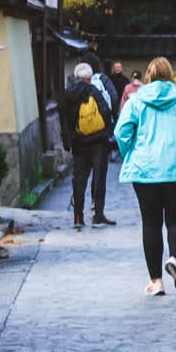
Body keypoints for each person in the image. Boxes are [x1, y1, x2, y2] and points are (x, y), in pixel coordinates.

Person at [115, 56, 176, 297]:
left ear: (148, 75)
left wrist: (131, 154)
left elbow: (121, 132)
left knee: (151, 223)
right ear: (170, 74)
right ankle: (175, 259)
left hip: (145, 169)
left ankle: (156, 281)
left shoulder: (136, 100)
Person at [60, 61, 114, 229]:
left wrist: (68, 141)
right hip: (98, 141)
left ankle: (78, 217)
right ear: (90, 78)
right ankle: (98, 215)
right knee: (99, 177)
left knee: (79, 179)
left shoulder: (68, 95)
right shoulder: (93, 90)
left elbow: (64, 120)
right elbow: (105, 112)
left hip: (78, 142)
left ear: (76, 77)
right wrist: (109, 132)